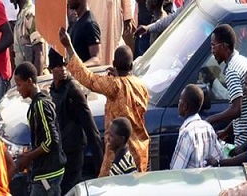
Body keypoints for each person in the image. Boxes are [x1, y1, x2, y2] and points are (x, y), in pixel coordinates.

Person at [59, 28, 150, 176]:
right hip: (140, 151)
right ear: (131, 66)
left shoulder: (114, 86)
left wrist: (69, 46)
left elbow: (88, 78)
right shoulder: (141, 85)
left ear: (113, 64)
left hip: (119, 155)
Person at [47, 49, 101, 191]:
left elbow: (92, 131)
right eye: (58, 66)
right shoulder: (53, 89)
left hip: (74, 152)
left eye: (65, 65)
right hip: (60, 152)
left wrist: (101, 170)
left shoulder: (74, 91)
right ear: (51, 69)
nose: (63, 69)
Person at [13, 62, 65, 194]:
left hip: (48, 174)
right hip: (45, 171)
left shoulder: (40, 105)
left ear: (29, 82)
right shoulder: (37, 103)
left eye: (19, 85)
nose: (18, 89)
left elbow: (52, 140)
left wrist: (29, 157)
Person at [207, 24, 247, 149]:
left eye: (213, 46)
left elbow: (237, 110)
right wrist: (226, 131)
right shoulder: (242, 60)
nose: (212, 51)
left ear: (224, 46)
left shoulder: (232, 71)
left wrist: (211, 119)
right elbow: (244, 109)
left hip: (244, 139)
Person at [171, 84, 222, 169]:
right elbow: (220, 156)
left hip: (191, 177)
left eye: (180, 100)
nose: (178, 103)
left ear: (185, 106)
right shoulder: (208, 127)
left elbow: (176, 170)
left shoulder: (186, 133)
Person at [4, 0, 45, 74]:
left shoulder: (30, 16)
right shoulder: (21, 16)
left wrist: (37, 81)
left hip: (31, 79)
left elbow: (39, 53)